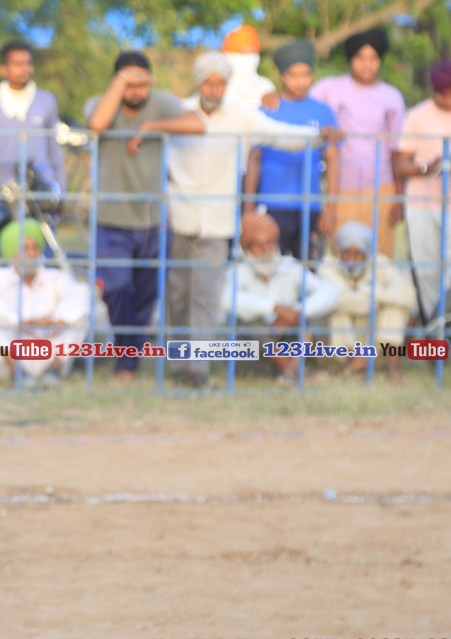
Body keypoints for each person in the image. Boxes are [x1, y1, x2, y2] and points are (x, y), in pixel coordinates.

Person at [166, 51, 339, 388]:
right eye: (208, 82)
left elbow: (282, 134)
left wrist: (320, 135)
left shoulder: (240, 117)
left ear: (226, 85)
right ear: (198, 83)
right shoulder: (178, 113)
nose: (213, 89)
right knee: (177, 293)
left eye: (220, 83)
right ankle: (178, 364)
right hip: (179, 216)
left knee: (206, 294)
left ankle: (198, 369)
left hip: (217, 221)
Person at [84, 51, 207, 381]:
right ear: (116, 81)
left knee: (145, 295)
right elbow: (96, 125)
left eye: (141, 82)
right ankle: (126, 356)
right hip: (111, 217)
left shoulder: (160, 103)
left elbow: (197, 125)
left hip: (152, 220)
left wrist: (151, 126)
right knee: (116, 288)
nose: (136, 90)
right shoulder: (100, 103)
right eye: (128, 82)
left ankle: (129, 360)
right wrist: (121, 83)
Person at [392, 61, 451, 323]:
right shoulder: (417, 115)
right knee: (426, 270)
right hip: (420, 203)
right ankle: (433, 330)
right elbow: (401, 164)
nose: (448, 101)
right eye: (442, 95)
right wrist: (428, 166)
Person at [310, 27, 406, 257]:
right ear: (350, 59)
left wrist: (398, 198)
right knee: (342, 258)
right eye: (360, 58)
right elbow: (303, 108)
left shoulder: (391, 96)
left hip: (381, 189)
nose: (367, 65)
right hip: (341, 189)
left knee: (380, 259)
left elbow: (395, 151)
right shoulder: (329, 89)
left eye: (373, 58)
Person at [244, 39, 341, 260]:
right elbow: (254, 159)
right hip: (271, 205)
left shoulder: (323, 111)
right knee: (269, 266)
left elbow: (333, 161)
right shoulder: (268, 109)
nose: (300, 81)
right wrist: (248, 209)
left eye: (306, 75)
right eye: (293, 75)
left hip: (310, 205)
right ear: (282, 77)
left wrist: (330, 210)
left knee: (308, 268)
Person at [220, 212, 339, 383]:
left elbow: (330, 293)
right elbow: (226, 300)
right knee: (246, 322)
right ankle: (296, 371)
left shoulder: (289, 266)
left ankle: (289, 371)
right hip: (254, 355)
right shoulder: (239, 270)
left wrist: (296, 312)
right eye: (258, 245)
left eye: (270, 242)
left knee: (315, 314)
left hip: (289, 345)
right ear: (246, 249)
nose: (266, 250)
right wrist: (274, 308)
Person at [0, 219, 90, 386]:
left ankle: (53, 371)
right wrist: (19, 322)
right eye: (24, 249)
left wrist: (60, 321)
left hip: (48, 345)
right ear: (12, 252)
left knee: (79, 319)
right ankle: (18, 374)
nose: (31, 254)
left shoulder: (54, 277)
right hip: (10, 350)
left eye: (35, 248)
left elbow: (81, 293)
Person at [318, 221, 416, 381]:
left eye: (357, 254)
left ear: (367, 254)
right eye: (346, 254)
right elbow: (338, 299)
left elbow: (409, 296)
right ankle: (355, 362)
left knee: (396, 308)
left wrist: (371, 292)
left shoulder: (380, 264)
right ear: (339, 253)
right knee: (336, 308)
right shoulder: (328, 267)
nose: (351, 261)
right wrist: (378, 302)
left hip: (375, 351)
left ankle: (392, 367)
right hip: (338, 354)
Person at [0, 40, 65, 192]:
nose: (25, 69)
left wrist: (61, 190)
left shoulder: (46, 101)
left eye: (28, 63)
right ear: (3, 70)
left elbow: (54, 149)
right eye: (18, 64)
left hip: (40, 189)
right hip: (1, 188)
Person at [221, 24, 277, 111]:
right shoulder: (219, 88)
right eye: (243, 53)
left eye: (253, 53)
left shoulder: (267, 87)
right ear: (229, 56)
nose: (250, 58)